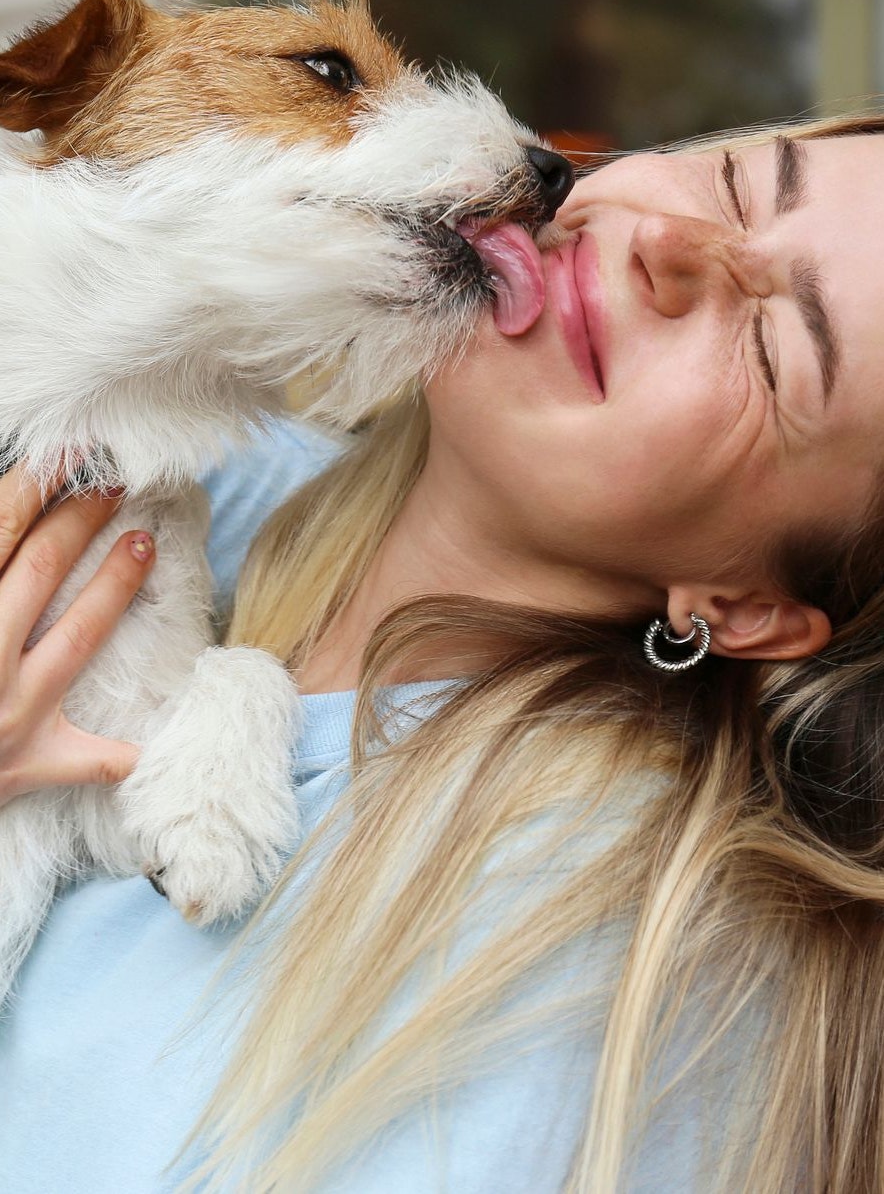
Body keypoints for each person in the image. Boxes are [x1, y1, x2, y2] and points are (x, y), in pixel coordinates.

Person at [1, 112, 884, 1193]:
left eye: (772, 352)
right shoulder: (188, 468)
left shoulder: (583, 982)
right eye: (745, 183)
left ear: (743, 607)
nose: (671, 247)